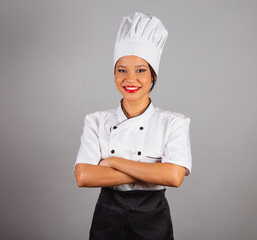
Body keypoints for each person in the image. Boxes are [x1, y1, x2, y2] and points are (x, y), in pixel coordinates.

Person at [73, 12, 192, 240]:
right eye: (122, 70)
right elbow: (85, 176)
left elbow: (175, 176)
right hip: (107, 219)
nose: (130, 79)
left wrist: (115, 163)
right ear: (114, 74)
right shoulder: (95, 120)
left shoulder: (174, 122)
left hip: (153, 221)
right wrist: (154, 172)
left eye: (140, 70)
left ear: (153, 75)